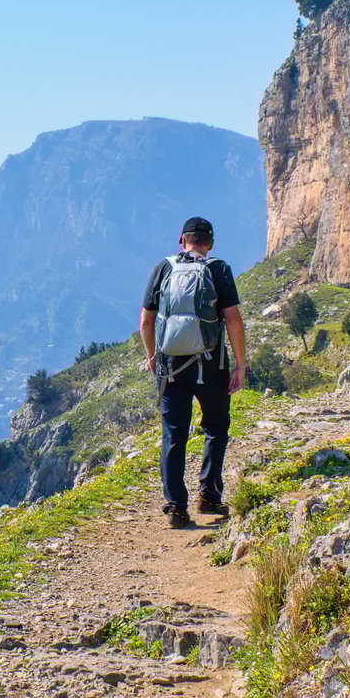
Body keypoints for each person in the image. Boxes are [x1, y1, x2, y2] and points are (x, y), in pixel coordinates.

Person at [139, 217, 247, 528]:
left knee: (173, 434)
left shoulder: (164, 268)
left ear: (181, 240)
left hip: (170, 366)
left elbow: (146, 322)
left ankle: (175, 507)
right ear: (209, 243)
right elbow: (233, 320)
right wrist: (238, 364)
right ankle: (209, 496)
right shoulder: (218, 269)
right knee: (215, 426)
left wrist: (151, 356)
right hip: (211, 364)